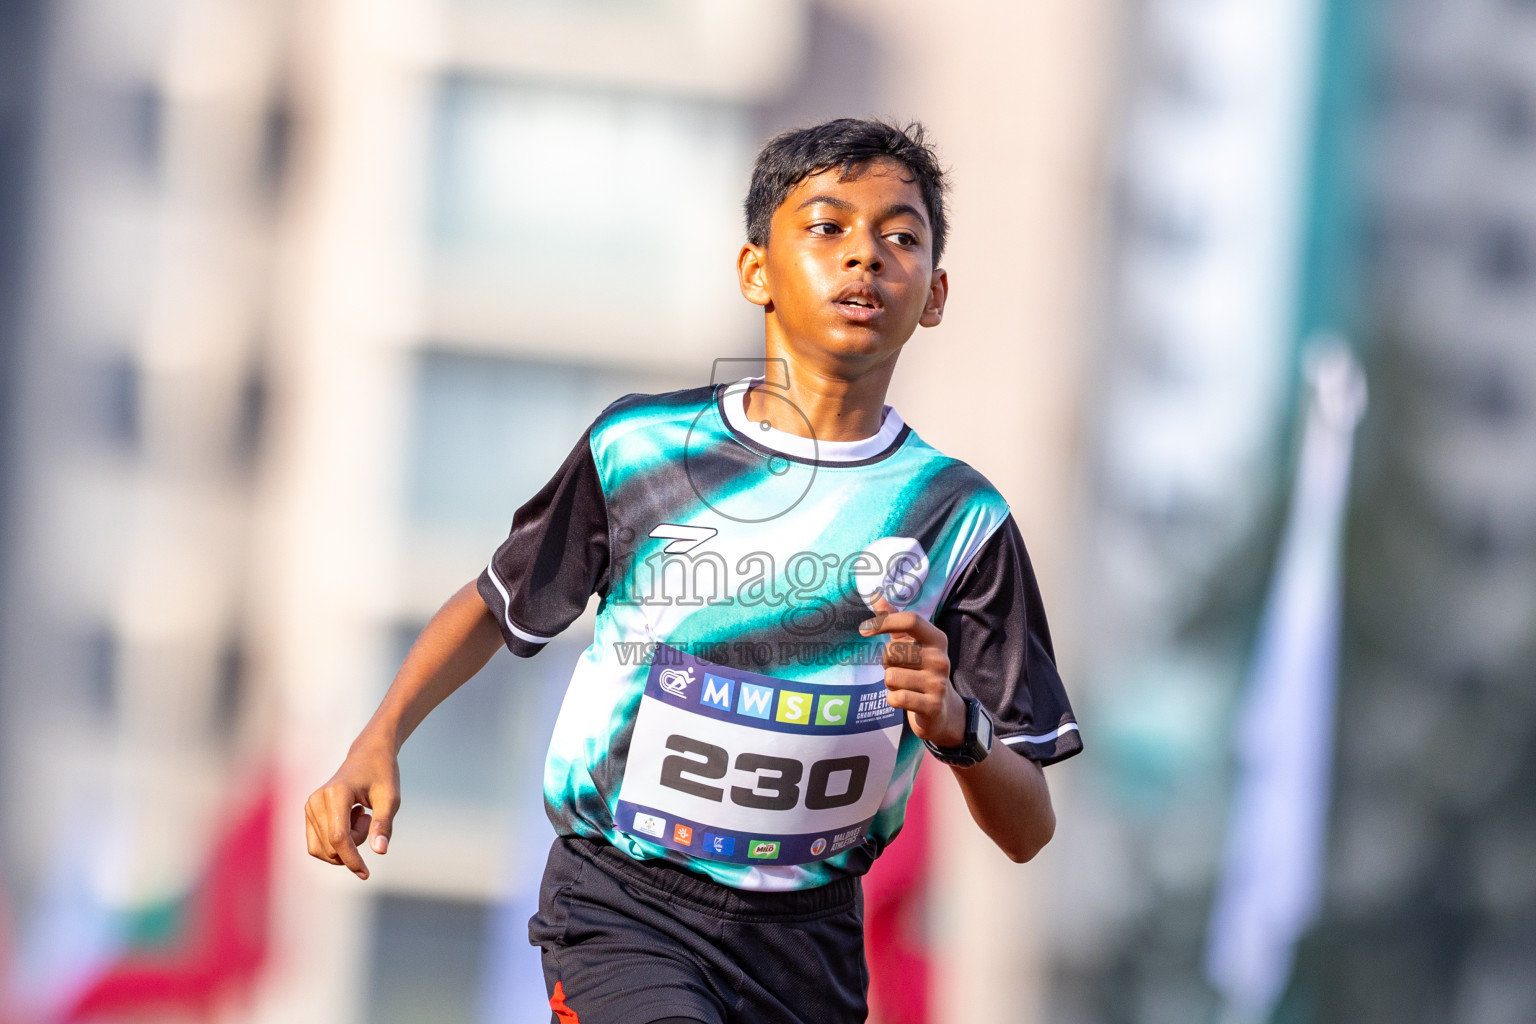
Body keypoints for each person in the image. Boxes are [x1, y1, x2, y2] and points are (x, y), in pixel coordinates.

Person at [305, 118, 1082, 1024]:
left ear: (936, 292)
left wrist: (955, 723)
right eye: (827, 228)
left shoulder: (963, 521)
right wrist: (380, 736)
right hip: (624, 905)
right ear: (756, 270)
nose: (864, 258)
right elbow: (496, 603)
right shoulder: (639, 451)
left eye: (899, 237)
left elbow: (1029, 830)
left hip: (809, 947)